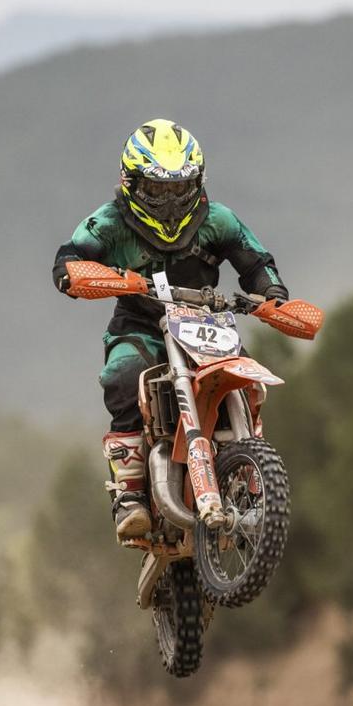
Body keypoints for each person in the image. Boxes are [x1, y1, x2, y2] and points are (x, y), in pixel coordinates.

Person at [52, 118, 289, 541]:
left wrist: (271, 293)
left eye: (179, 188)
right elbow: (69, 259)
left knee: (249, 380)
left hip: (206, 322)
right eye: (158, 190)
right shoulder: (107, 222)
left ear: (197, 182)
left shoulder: (218, 219)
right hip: (139, 325)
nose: (169, 200)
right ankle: (130, 494)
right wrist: (80, 275)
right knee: (123, 377)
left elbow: (255, 261)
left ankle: (251, 475)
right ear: (131, 182)